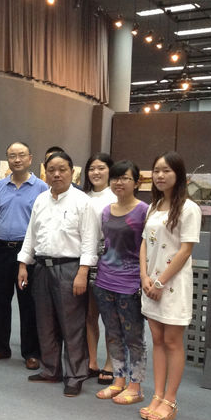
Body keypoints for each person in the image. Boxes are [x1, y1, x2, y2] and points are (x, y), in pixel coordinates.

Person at [18, 151, 99, 397]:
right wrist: (23, 264)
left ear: (72, 172)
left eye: (62, 169)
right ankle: (51, 369)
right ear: (45, 172)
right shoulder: (41, 200)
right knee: (45, 323)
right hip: (42, 267)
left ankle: (75, 375)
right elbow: (31, 235)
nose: (56, 174)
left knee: (72, 325)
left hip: (70, 268)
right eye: (51, 169)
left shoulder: (82, 201)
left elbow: (90, 241)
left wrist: (83, 272)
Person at [139, 151, 201, 420]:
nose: (160, 175)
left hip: (172, 285)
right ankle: (157, 394)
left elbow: (185, 250)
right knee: (157, 340)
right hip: (151, 284)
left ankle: (170, 400)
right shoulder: (153, 207)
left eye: (166, 171)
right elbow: (144, 243)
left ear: (179, 175)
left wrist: (160, 282)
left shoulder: (189, 208)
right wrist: (144, 277)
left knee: (173, 342)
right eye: (156, 170)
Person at [92, 160, 149, 405]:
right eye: (116, 178)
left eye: (125, 178)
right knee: (113, 333)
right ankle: (118, 380)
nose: (119, 182)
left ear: (136, 182)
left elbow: (148, 248)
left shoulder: (144, 211)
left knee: (134, 336)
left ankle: (135, 386)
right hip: (105, 280)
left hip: (131, 283)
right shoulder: (106, 211)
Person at [0, 142, 47, 367]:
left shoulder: (41, 187)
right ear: (7, 159)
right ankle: (1, 347)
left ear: (30, 158)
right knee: (0, 300)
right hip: (1, 249)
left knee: (28, 302)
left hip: (27, 251)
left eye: (21, 155)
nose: (17, 159)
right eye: (12, 156)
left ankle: (31, 352)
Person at [82, 152, 117, 385]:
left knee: (110, 315)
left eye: (101, 168)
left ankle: (111, 364)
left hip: (111, 259)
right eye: (92, 168)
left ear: (110, 171)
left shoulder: (116, 197)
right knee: (89, 314)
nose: (96, 172)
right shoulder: (81, 197)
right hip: (86, 258)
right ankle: (92, 361)